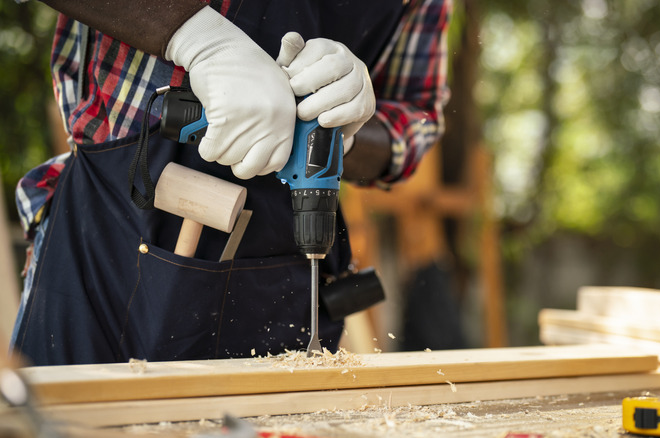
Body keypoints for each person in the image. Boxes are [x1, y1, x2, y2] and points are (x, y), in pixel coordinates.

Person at [12, 0, 451, 365]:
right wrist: (197, 38)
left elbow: (418, 118)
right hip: (111, 243)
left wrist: (344, 124)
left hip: (285, 273)